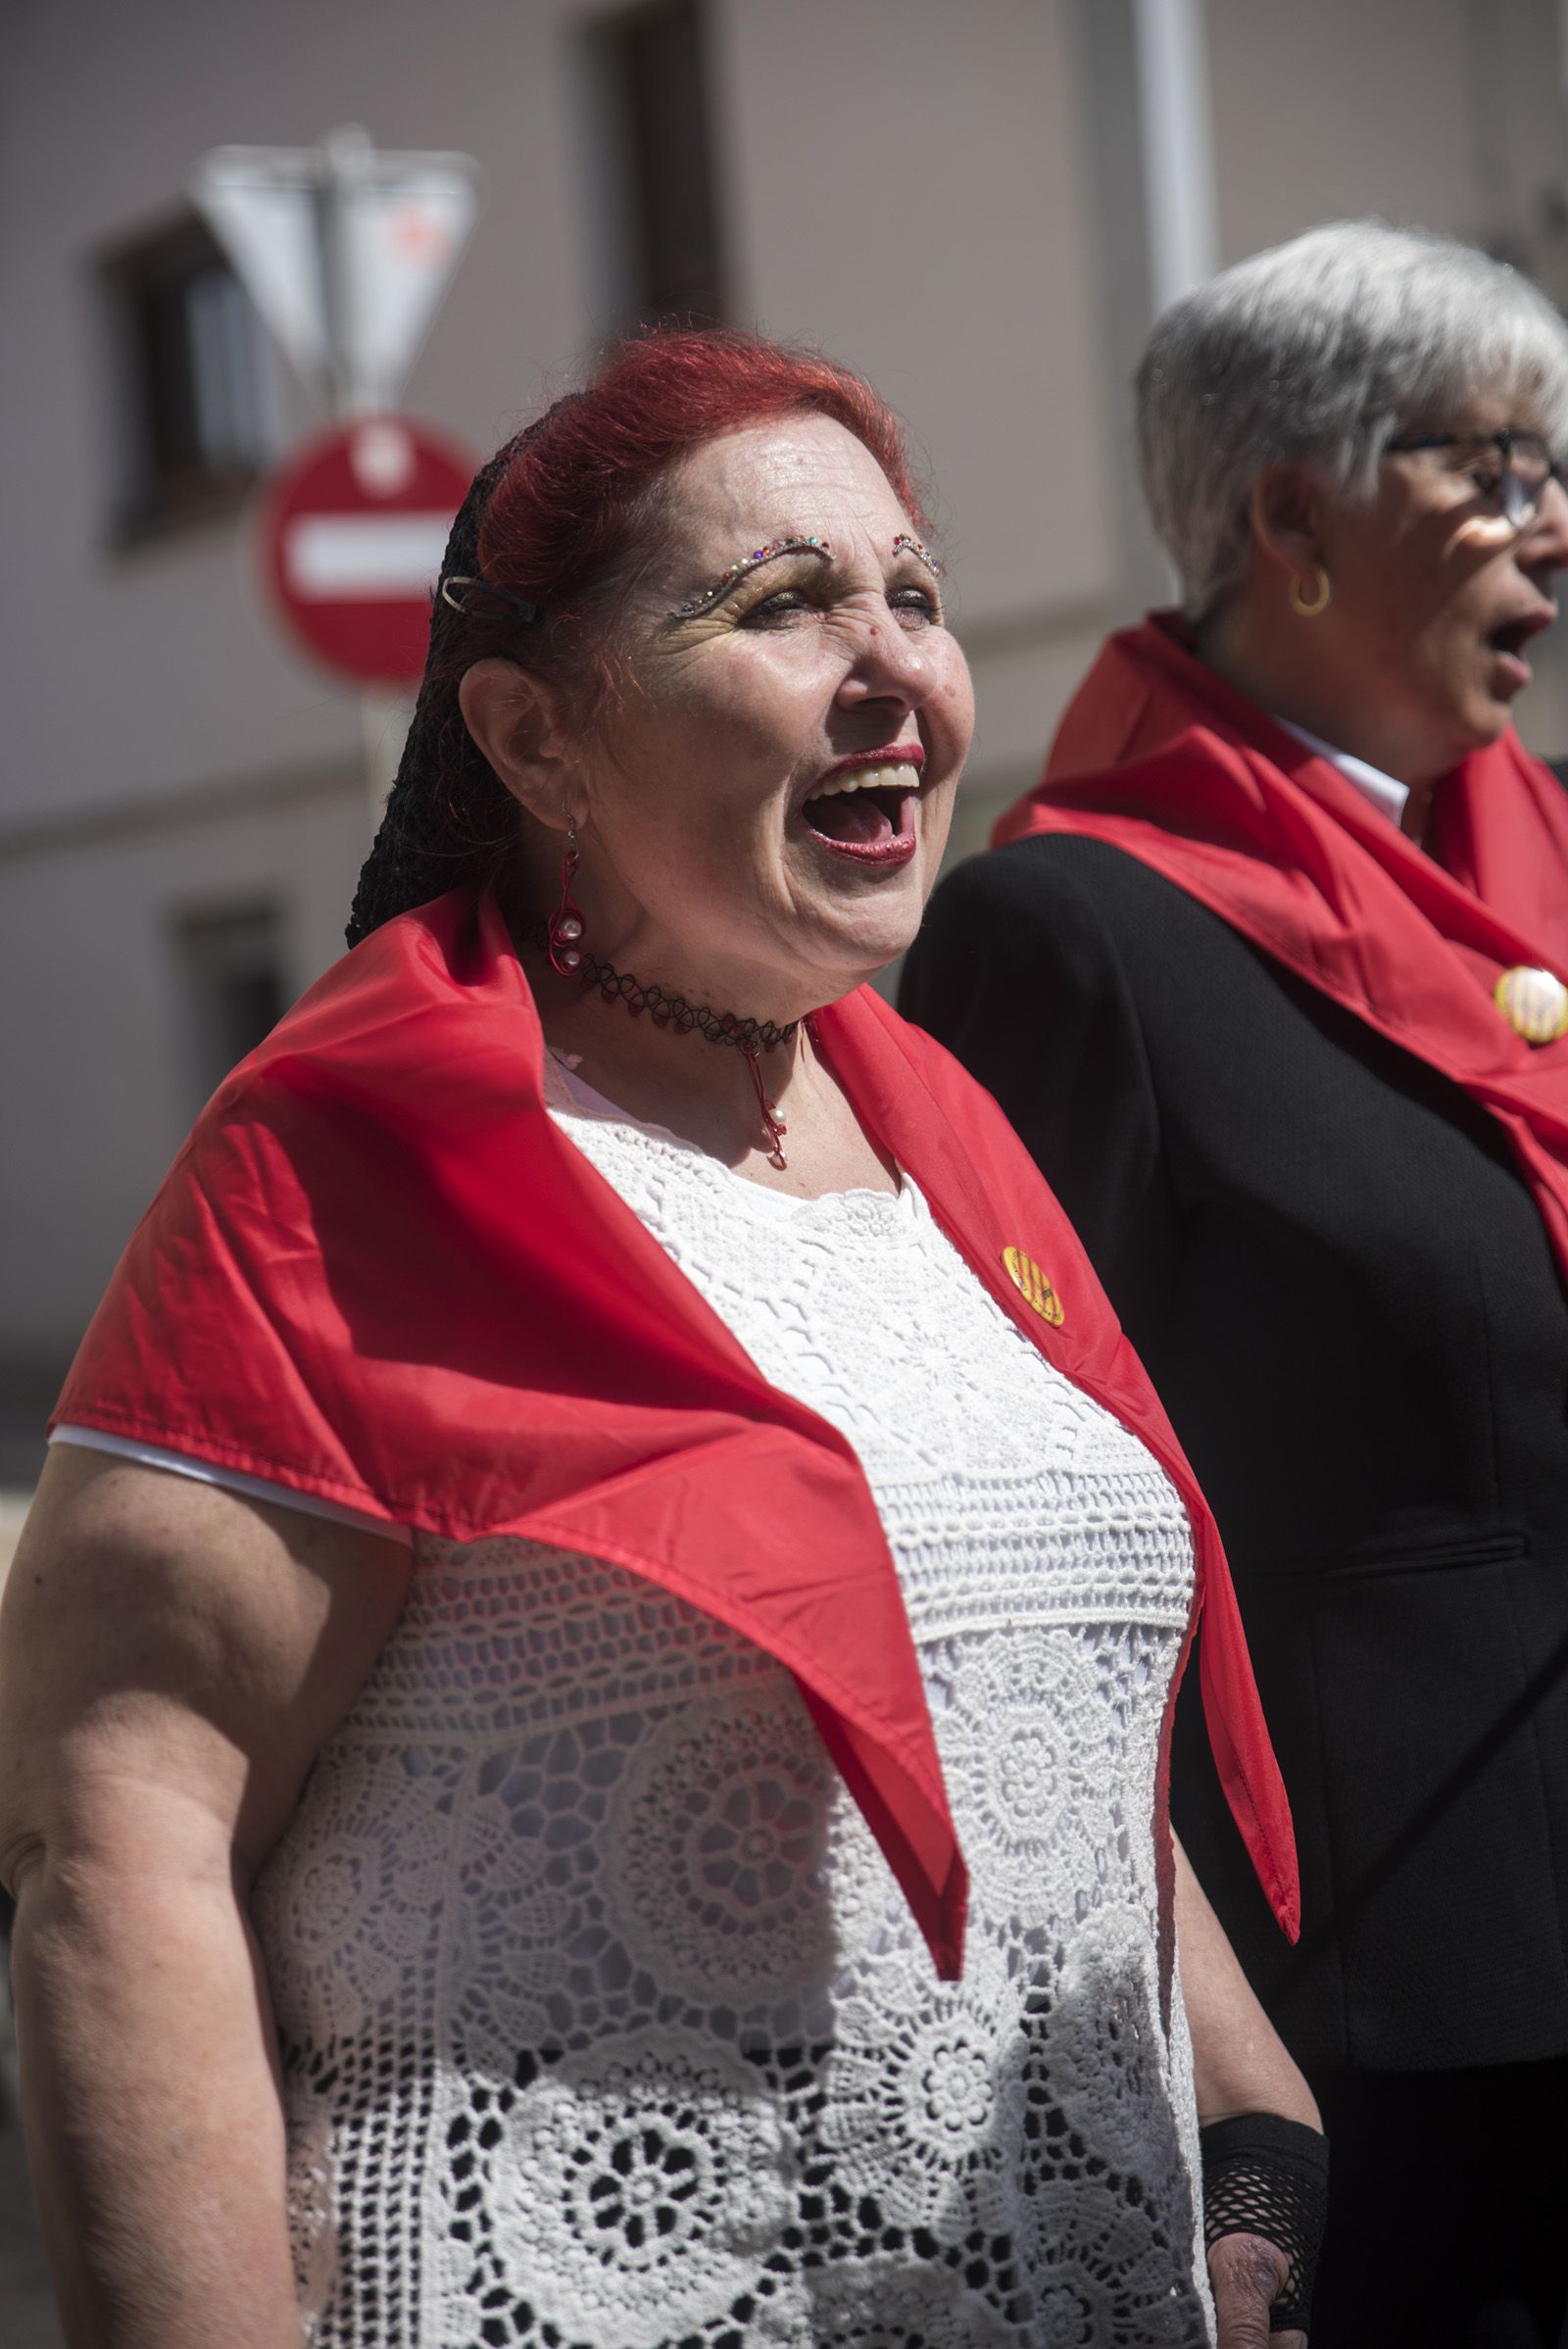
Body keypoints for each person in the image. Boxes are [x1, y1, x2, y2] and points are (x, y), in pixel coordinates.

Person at [0, 330, 1320, 2349]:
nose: (895, 664)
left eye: (913, 592)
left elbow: (1032, 1684)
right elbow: (119, 1838)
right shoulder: (360, 1157)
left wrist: (1242, 2107)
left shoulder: (940, 1130)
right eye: (782, 604)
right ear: (535, 740)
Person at [902, 221, 1568, 2348]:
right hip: (1391, 2008)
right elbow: (1026, 1499)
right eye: (1496, 466)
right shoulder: (1067, 932)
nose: (1550, 528)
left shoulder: (1543, 854)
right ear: (1287, 511)